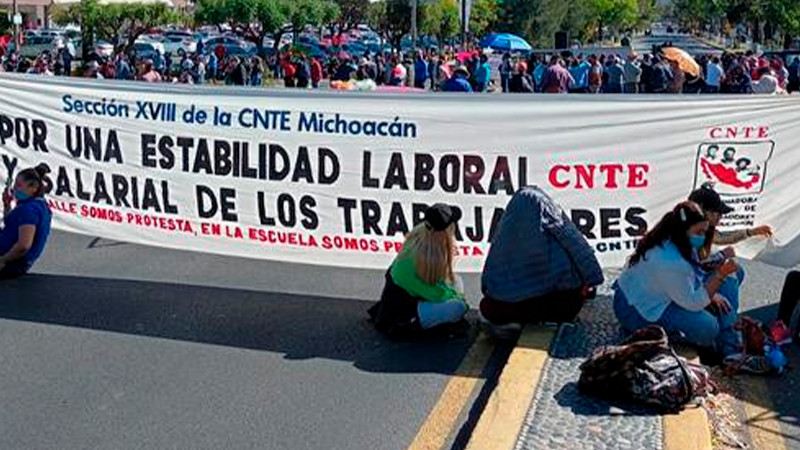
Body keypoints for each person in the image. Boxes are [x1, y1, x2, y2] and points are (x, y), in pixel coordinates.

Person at [613, 201, 743, 361]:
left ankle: (728, 340)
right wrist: (719, 278)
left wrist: (720, 263)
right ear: (683, 230)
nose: (702, 236)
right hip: (635, 310)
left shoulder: (677, 238)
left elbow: (696, 267)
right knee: (709, 327)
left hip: (666, 292)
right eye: (699, 232)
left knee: (735, 275)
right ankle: (724, 340)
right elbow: (694, 302)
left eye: (705, 231)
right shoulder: (669, 260)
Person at [480, 187, 604, 338]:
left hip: (500, 309)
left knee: (488, 307)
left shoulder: (504, 233)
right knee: (574, 297)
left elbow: (486, 283)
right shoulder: (548, 211)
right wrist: (592, 281)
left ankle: (512, 322)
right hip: (549, 304)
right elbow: (576, 245)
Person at [367, 204, 468, 338]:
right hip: (404, 312)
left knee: (457, 281)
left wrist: (452, 294)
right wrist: (457, 298)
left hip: (416, 296)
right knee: (458, 308)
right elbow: (433, 294)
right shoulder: (415, 259)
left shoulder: (422, 236)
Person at [0, 163, 53, 279]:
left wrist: (2, 260)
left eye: (18, 185)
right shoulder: (38, 204)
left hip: (13, 264)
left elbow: (24, 245)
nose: (14, 188)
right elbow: (10, 223)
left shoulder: (29, 210)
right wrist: (7, 205)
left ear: (33, 188)